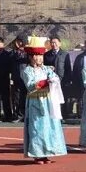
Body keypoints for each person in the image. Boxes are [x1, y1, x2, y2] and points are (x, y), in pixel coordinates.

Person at [21, 36, 67, 164]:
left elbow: (55, 78)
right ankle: (37, 154)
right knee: (37, 127)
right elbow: (30, 85)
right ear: (31, 57)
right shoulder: (27, 71)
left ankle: (47, 153)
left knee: (49, 127)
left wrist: (53, 80)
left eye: (41, 55)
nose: (39, 58)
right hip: (35, 102)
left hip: (48, 101)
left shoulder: (46, 69)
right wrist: (45, 82)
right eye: (36, 55)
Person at [43, 36, 72, 118]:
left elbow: (68, 68)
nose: (53, 44)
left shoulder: (65, 54)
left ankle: (64, 115)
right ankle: (52, 115)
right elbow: (44, 68)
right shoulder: (46, 55)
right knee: (52, 99)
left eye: (55, 42)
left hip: (62, 80)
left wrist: (68, 80)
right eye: (52, 43)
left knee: (63, 98)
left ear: (59, 43)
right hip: (51, 81)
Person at [10, 37, 29, 121]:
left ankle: (25, 114)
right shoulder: (13, 52)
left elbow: (29, 60)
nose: (18, 43)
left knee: (25, 97)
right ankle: (18, 114)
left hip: (26, 78)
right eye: (17, 42)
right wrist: (16, 51)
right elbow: (11, 59)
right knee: (17, 97)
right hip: (17, 77)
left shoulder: (28, 52)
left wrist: (24, 50)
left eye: (20, 42)